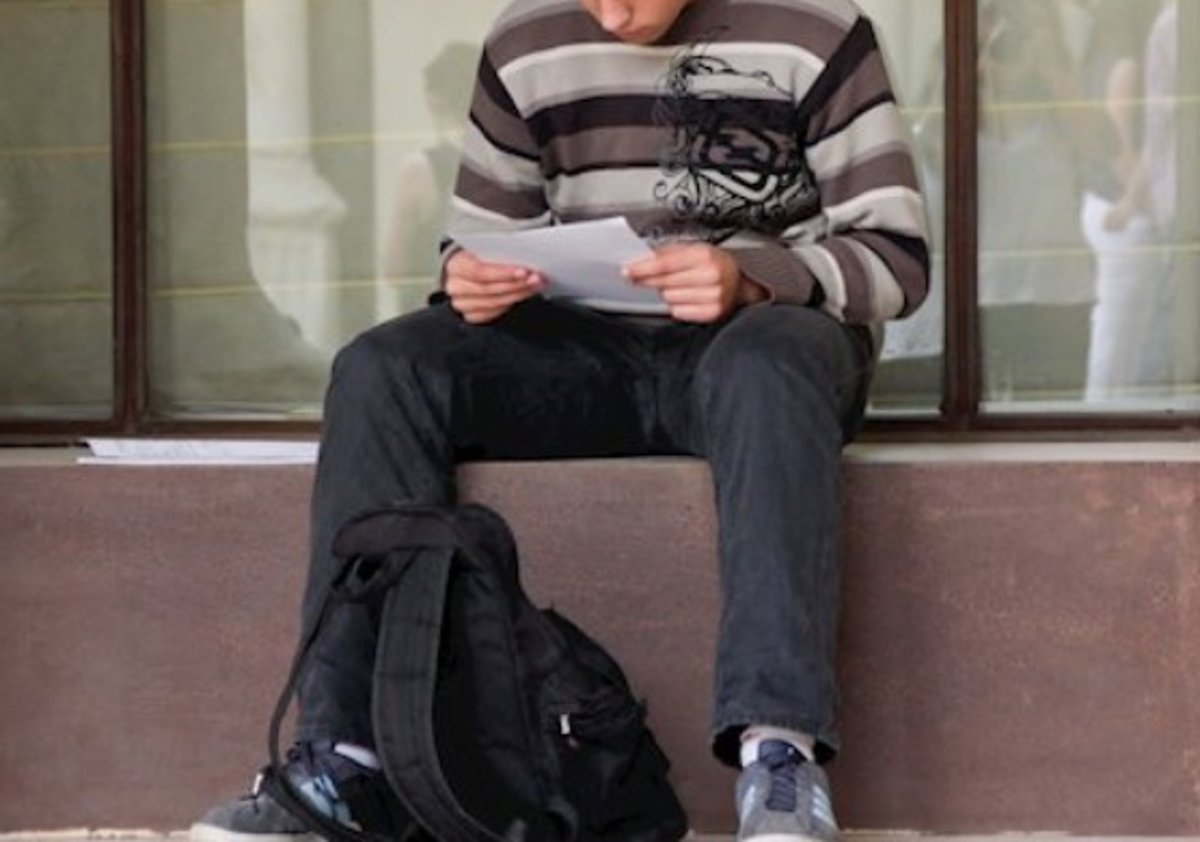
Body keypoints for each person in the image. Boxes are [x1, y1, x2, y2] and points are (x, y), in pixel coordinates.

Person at [189, 1, 930, 841]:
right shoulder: (526, 39)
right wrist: (471, 279)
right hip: (585, 353)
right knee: (382, 369)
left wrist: (753, 277)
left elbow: (898, 261)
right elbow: (479, 242)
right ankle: (346, 760)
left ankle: (780, 759)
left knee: (768, 362)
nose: (610, 15)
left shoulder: (815, 30)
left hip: (759, 350)